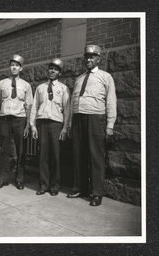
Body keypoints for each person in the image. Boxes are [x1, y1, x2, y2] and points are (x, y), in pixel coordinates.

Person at [67, 45, 117, 206]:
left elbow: (111, 101)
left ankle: (96, 193)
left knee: (96, 156)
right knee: (78, 154)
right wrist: (69, 125)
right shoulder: (79, 78)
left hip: (96, 118)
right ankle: (80, 188)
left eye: (92, 57)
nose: (88, 59)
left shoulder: (105, 76)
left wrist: (110, 125)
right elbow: (72, 103)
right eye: (86, 56)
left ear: (98, 59)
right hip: (78, 119)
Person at [0, 54, 33, 190]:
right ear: (10, 67)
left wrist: (28, 125)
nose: (14, 67)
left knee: (21, 150)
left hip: (20, 119)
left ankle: (19, 179)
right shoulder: (1, 84)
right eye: (12, 65)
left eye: (17, 65)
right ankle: (2, 179)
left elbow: (29, 106)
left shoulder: (26, 85)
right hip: (4, 119)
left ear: (21, 68)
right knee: (4, 150)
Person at [30, 58, 70, 196]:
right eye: (51, 68)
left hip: (55, 124)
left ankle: (54, 186)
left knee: (55, 156)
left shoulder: (63, 89)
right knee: (43, 156)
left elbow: (67, 109)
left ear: (59, 73)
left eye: (56, 69)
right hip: (42, 123)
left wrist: (65, 128)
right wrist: (33, 126)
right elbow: (34, 107)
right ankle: (43, 185)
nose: (52, 71)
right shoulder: (40, 88)